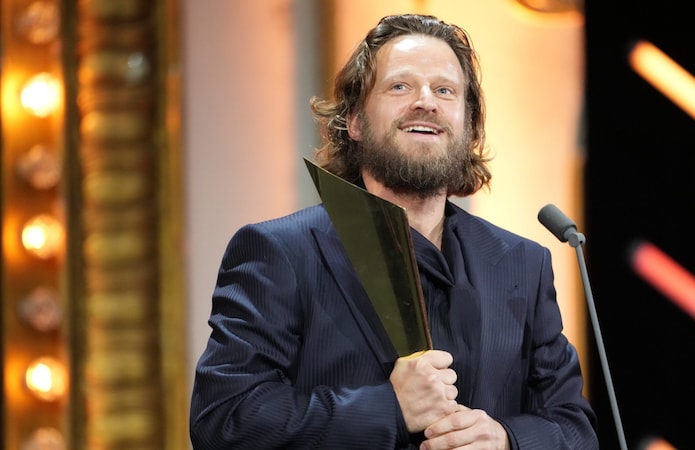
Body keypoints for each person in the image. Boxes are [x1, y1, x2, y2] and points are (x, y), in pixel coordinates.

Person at [190, 13, 598, 450]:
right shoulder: (280, 253)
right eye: (400, 86)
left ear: (469, 126)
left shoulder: (523, 263)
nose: (426, 101)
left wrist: (506, 439)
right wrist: (389, 407)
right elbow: (224, 420)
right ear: (356, 121)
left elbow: (575, 429)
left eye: (445, 90)